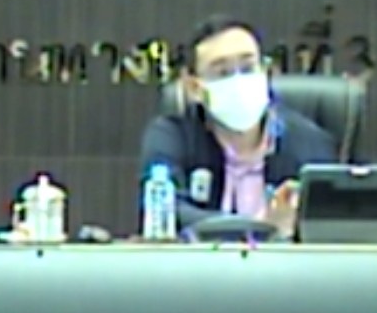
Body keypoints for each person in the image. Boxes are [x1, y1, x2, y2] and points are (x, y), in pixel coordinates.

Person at [137, 14, 342, 240]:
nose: (238, 81)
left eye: (248, 67)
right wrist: (262, 228)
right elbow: (167, 213)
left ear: (267, 71)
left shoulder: (310, 142)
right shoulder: (172, 136)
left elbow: (331, 224)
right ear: (194, 87)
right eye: (222, 72)